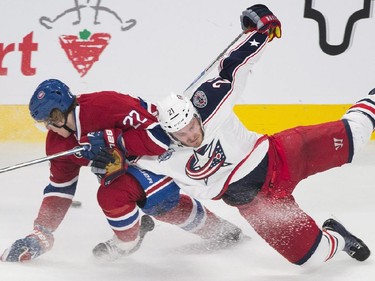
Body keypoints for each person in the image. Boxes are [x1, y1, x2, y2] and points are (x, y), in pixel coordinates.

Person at [129, 4, 371, 267]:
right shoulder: (155, 153)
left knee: (356, 137)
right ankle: (340, 236)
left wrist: (260, 32)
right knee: (311, 259)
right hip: (259, 206)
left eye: (191, 126)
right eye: (181, 134)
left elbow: (233, 66)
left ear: (194, 113)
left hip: (281, 156)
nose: (190, 136)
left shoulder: (209, 102)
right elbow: (119, 157)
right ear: (168, 132)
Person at [0, 79, 242, 262]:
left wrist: (112, 140)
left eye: (46, 123)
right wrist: (41, 233)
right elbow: (60, 189)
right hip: (131, 170)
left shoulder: (105, 104)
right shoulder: (58, 141)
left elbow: (161, 137)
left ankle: (127, 243)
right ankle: (222, 232)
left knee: (151, 198)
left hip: (169, 156)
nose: (47, 129)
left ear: (57, 116)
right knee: (126, 193)